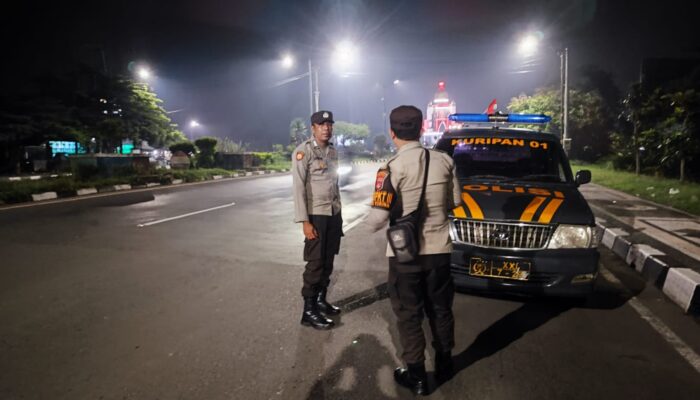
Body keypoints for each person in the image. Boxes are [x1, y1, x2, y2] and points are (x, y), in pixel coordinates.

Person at [367, 105, 462, 395]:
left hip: (404, 256)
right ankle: (445, 363)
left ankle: (418, 376)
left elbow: (377, 220)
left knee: (409, 314)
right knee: (441, 309)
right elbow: (455, 202)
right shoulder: (445, 161)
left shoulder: (390, 168)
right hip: (439, 251)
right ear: (421, 129)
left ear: (392, 133)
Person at [292, 110, 343, 330]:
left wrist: (339, 214)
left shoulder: (332, 152)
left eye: (329, 124)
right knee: (315, 263)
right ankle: (309, 311)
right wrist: (305, 221)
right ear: (312, 128)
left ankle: (321, 300)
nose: (326, 128)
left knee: (329, 260)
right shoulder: (303, 152)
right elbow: (298, 189)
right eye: (321, 124)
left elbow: (335, 184)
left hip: (333, 213)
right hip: (316, 214)